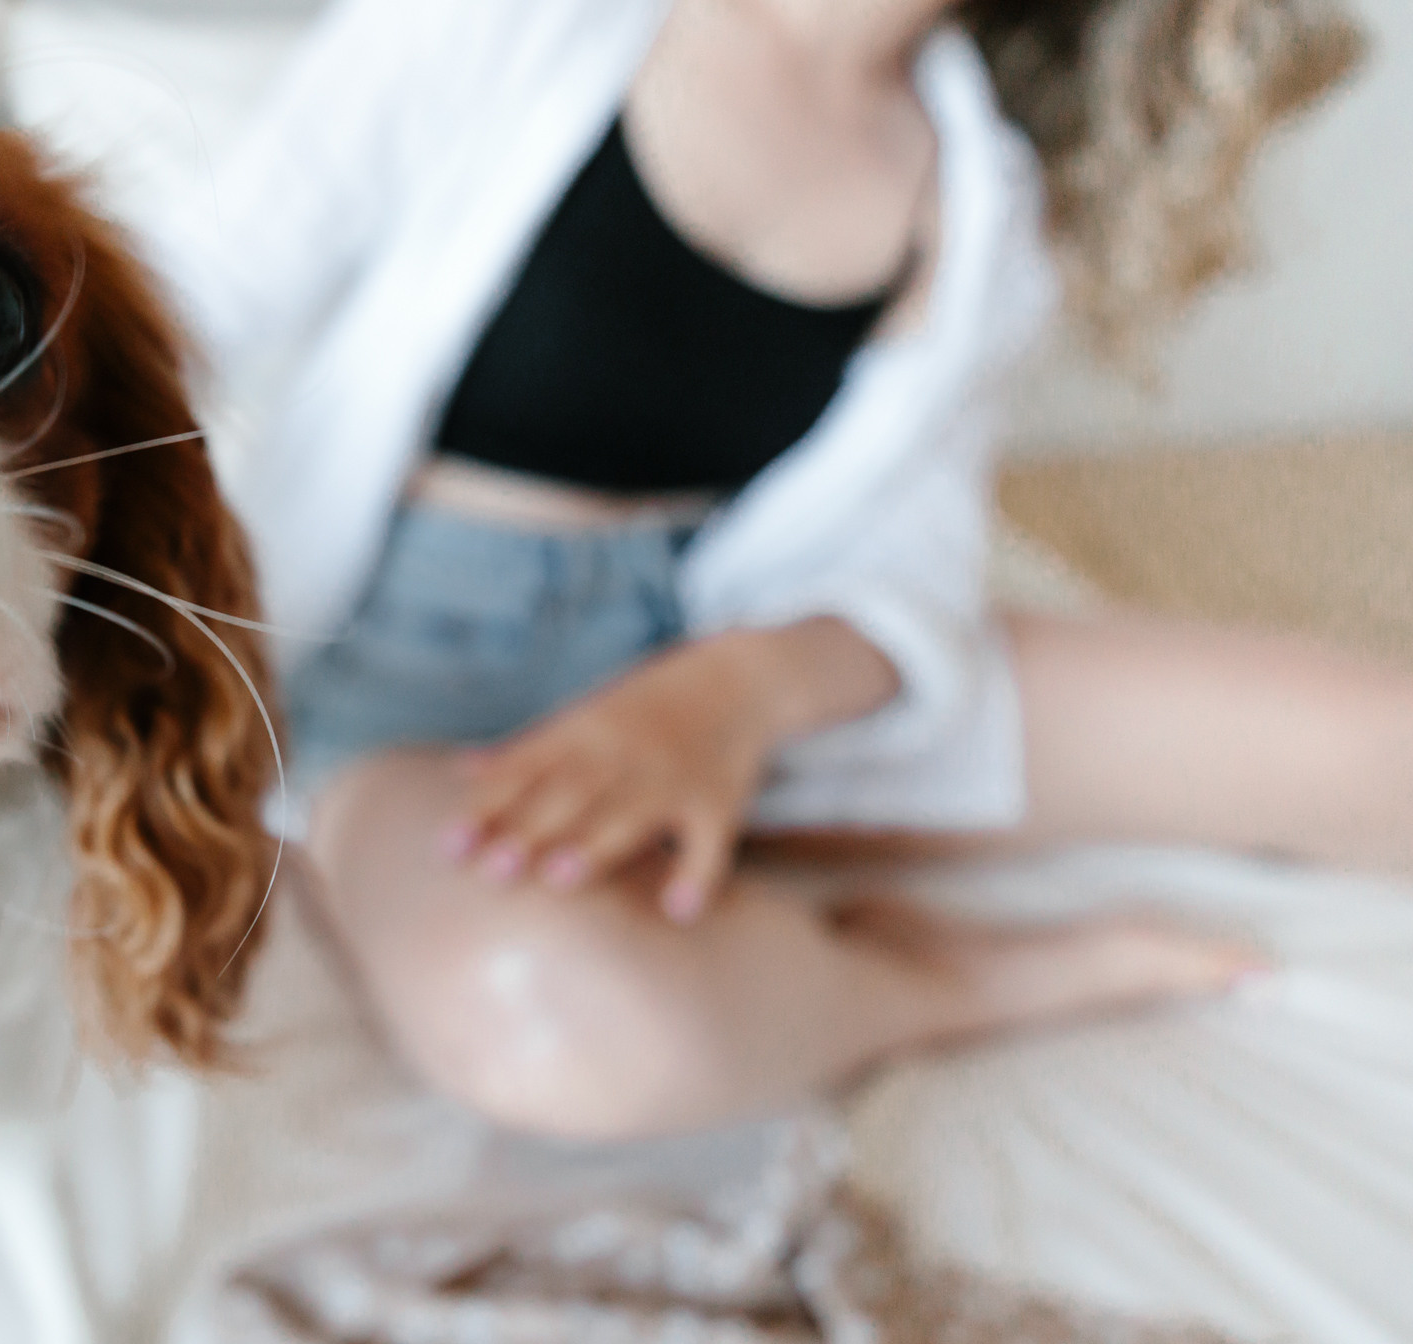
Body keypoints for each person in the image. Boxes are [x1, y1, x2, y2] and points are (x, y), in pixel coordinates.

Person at [153, 0, 1393, 1140]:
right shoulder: (527, 19)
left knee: (1374, 744)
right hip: (403, 702)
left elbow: (907, 561)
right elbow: (178, 302)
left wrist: (721, 704)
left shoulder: (980, 189)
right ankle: (925, 978)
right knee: (566, 1019)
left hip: (740, 676)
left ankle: (740, 846)